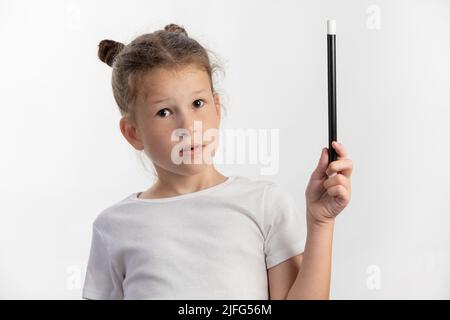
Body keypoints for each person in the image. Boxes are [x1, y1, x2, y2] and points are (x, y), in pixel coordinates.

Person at [82, 23, 353, 300]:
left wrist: (320, 224)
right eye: (164, 112)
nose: (188, 126)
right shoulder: (113, 227)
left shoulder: (264, 205)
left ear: (217, 108)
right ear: (133, 132)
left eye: (198, 104)